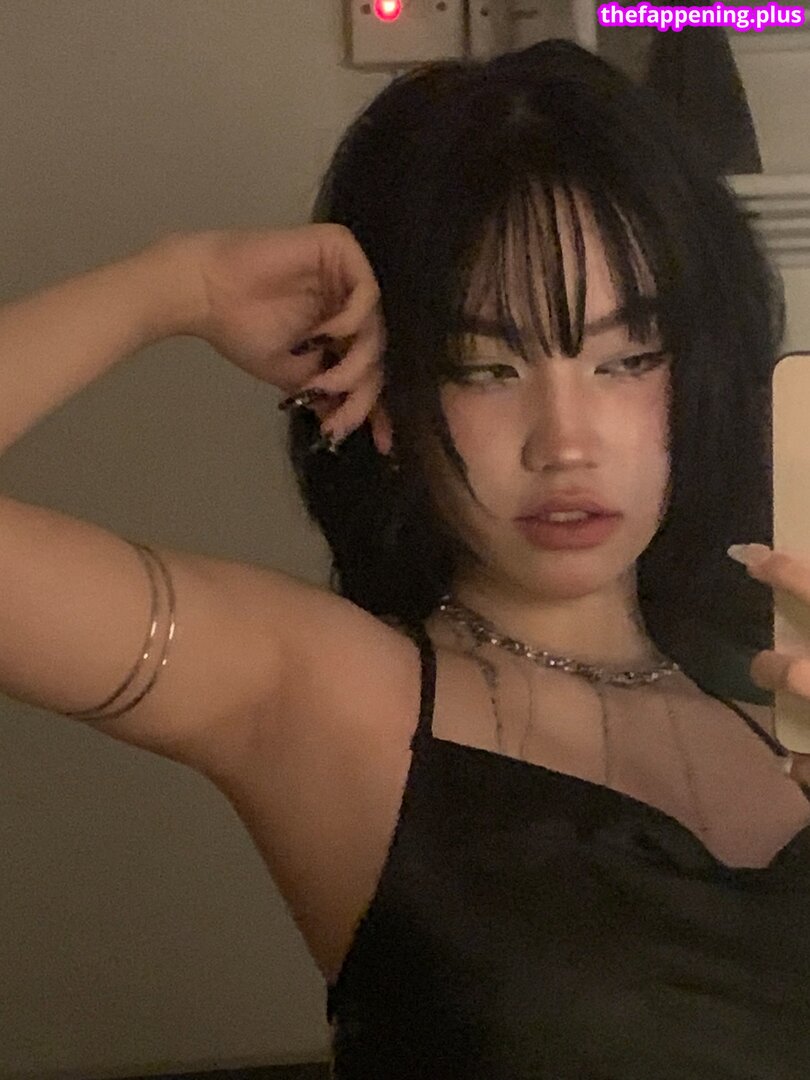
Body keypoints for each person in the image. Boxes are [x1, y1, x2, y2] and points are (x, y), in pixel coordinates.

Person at [2, 36, 810, 1079]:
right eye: (486, 367)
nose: (565, 444)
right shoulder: (328, 693)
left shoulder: (775, 684)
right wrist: (176, 285)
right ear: (387, 399)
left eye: (627, 360)